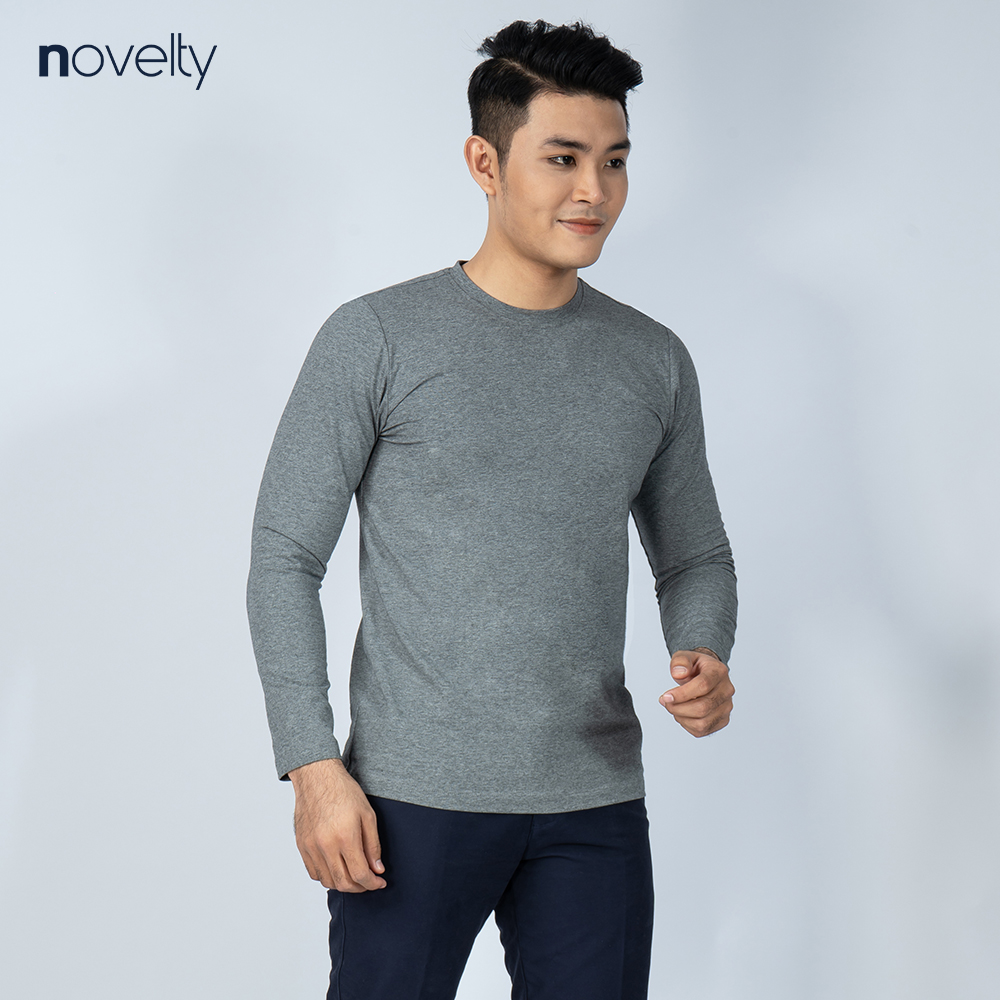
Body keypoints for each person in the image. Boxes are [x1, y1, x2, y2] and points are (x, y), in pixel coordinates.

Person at [247, 18, 737, 1000]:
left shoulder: (651, 359)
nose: (594, 190)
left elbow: (694, 557)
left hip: (594, 804)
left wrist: (706, 650)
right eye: (562, 158)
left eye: (614, 161)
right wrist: (312, 764)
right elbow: (283, 557)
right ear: (484, 161)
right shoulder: (377, 337)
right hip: (407, 804)